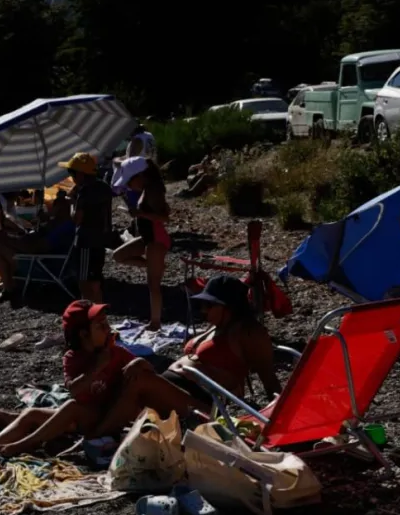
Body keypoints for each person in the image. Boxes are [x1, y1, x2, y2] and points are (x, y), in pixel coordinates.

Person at [92, 275, 282, 437]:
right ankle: (98, 430)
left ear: (229, 307)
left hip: (201, 404)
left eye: (209, 305)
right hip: (177, 391)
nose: (203, 310)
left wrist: (281, 424)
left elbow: (270, 381)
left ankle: (95, 437)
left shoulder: (249, 333)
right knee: (124, 372)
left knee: (139, 380)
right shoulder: (218, 326)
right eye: (202, 304)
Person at [0, 301, 135, 456]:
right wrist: (97, 367)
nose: (108, 329)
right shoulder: (73, 358)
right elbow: (73, 390)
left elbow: (141, 375)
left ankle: (23, 443)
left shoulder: (116, 353)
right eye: (100, 325)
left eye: (106, 323)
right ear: (83, 334)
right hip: (84, 417)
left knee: (70, 408)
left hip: (107, 417)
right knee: (33, 414)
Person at [112, 157, 170, 330]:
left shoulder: (153, 190)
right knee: (118, 255)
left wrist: (140, 214)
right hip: (148, 238)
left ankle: (155, 322)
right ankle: (155, 266)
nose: (129, 185)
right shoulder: (148, 189)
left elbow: (164, 217)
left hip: (156, 239)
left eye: (129, 180)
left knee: (153, 285)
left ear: (140, 175)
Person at [0, 199, 76, 304]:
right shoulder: (63, 224)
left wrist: (9, 240)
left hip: (45, 268)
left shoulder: (62, 228)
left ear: (60, 209)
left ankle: (9, 288)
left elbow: (36, 249)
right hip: (47, 263)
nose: (49, 209)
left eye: (52, 206)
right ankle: (10, 284)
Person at [59, 153, 113, 302]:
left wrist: (71, 202)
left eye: (72, 173)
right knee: (96, 281)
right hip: (100, 240)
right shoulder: (104, 187)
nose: (71, 177)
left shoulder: (85, 191)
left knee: (84, 282)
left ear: (80, 174)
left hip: (85, 241)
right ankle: (98, 310)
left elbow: (77, 219)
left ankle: (88, 310)